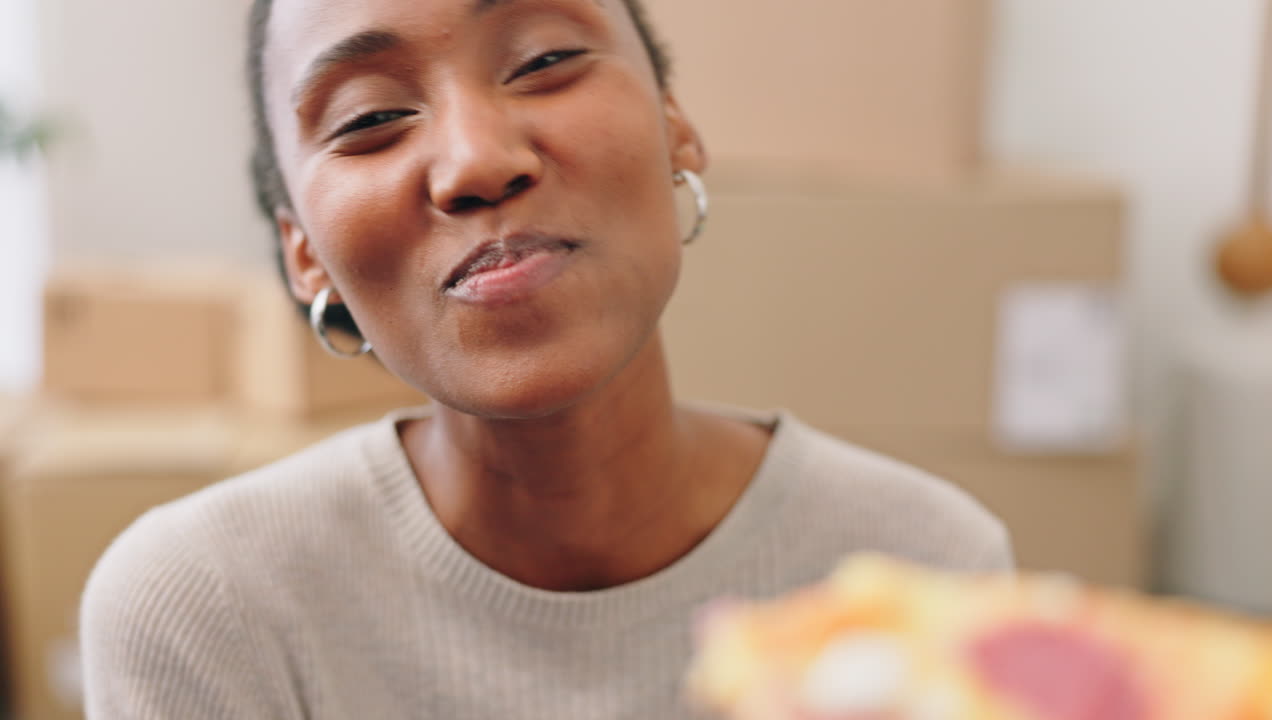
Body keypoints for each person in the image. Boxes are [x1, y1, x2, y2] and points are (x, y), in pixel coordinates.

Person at [79, 0, 1013, 717]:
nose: (477, 161)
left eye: (545, 59)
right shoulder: (209, 606)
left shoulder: (924, 569)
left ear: (674, 126)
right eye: (368, 120)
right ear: (306, 253)